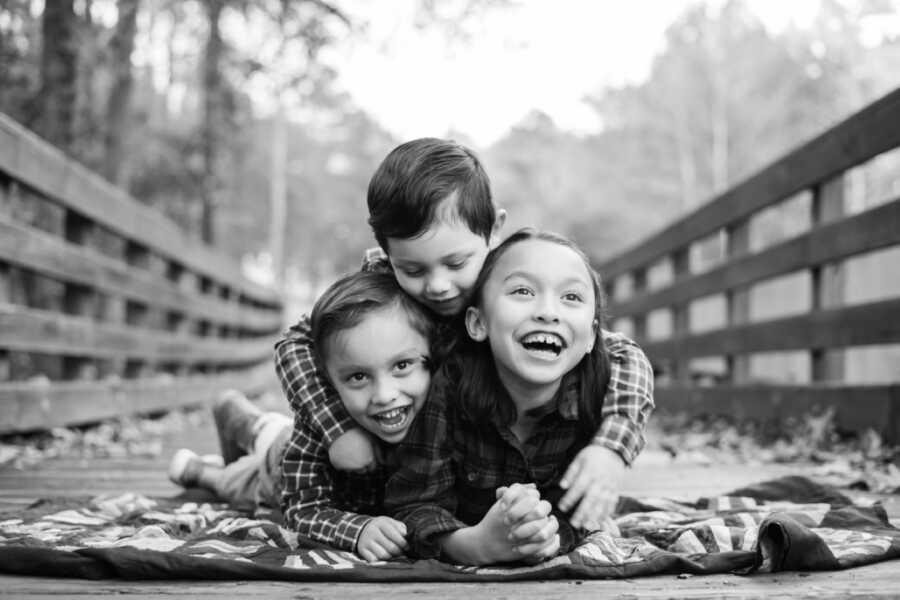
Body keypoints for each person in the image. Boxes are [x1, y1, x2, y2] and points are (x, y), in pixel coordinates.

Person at [276, 138, 654, 532]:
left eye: (456, 263)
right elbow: (295, 343)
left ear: (493, 230)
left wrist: (611, 447)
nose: (438, 286)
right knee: (265, 466)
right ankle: (247, 435)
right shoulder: (381, 287)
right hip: (365, 446)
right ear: (387, 253)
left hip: (433, 456)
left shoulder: (505, 284)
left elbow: (621, 353)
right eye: (414, 270)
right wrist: (339, 431)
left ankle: (248, 433)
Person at [384, 228, 622, 565]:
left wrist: (551, 536)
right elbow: (413, 502)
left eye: (571, 297)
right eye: (523, 291)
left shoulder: (596, 394)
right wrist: (471, 545)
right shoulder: (447, 387)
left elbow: (581, 511)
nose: (548, 312)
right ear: (478, 323)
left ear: (591, 337)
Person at [169, 269, 437, 562]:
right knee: (236, 482)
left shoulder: (437, 407)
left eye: (402, 366)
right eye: (359, 376)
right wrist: (357, 530)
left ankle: (242, 418)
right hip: (279, 470)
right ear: (329, 381)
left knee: (269, 429)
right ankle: (202, 469)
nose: (385, 395)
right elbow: (303, 511)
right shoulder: (316, 432)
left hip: (285, 432)